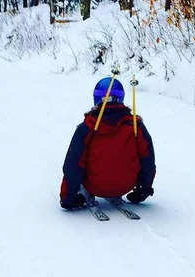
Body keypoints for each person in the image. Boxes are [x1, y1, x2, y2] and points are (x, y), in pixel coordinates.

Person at [60, 77, 156, 210]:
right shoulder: (135, 126)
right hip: (126, 185)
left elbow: (73, 163)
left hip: (94, 186)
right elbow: (148, 160)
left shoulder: (88, 127)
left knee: (80, 159)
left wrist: (67, 198)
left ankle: (80, 191)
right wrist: (144, 190)